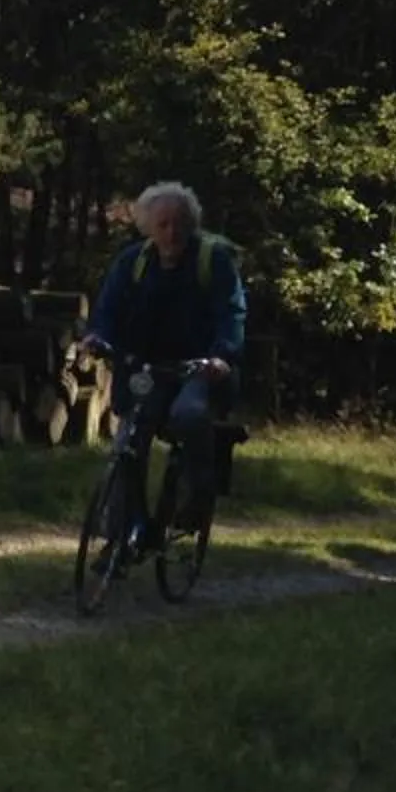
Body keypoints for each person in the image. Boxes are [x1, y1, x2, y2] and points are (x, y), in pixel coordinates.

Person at [81, 180, 246, 537]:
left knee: (188, 414)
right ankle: (121, 532)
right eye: (163, 225)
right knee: (130, 438)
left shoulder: (212, 261)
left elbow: (231, 314)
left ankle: (195, 499)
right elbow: (108, 309)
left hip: (199, 369)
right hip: (148, 368)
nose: (172, 233)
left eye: (180, 224)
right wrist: (98, 337)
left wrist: (220, 357)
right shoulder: (133, 262)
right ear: (148, 227)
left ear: (192, 225)